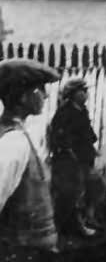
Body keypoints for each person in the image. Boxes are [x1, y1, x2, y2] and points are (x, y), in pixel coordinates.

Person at [0, 60, 61, 260]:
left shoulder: (21, 132)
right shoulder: (12, 141)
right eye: (40, 89)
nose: (46, 95)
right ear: (23, 97)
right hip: (23, 250)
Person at [48, 78, 103, 238]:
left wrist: (93, 148)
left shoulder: (82, 110)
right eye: (82, 91)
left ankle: (89, 216)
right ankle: (77, 226)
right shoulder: (64, 112)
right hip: (71, 160)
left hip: (85, 156)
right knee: (75, 192)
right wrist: (71, 155)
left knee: (95, 186)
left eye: (86, 90)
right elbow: (61, 138)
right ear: (73, 94)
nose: (86, 94)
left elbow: (87, 132)